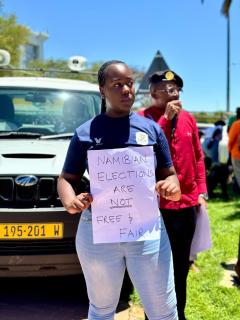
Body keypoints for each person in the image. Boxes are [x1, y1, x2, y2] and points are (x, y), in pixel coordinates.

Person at [57, 61, 181, 320]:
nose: (127, 90)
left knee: (163, 311)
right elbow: (67, 178)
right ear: (102, 90)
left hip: (147, 231)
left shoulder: (151, 129)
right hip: (98, 233)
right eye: (117, 85)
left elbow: (169, 175)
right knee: (101, 310)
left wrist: (172, 186)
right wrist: (70, 200)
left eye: (130, 84)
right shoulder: (85, 133)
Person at [139, 69, 207, 320]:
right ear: (153, 93)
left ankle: (179, 313)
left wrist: (201, 192)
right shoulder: (141, 119)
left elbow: (198, 158)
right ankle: (152, 315)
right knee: (155, 267)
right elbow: (143, 149)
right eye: (167, 90)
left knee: (181, 265)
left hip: (186, 205)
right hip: (155, 207)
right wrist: (165, 120)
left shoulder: (189, 118)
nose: (173, 94)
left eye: (176, 89)